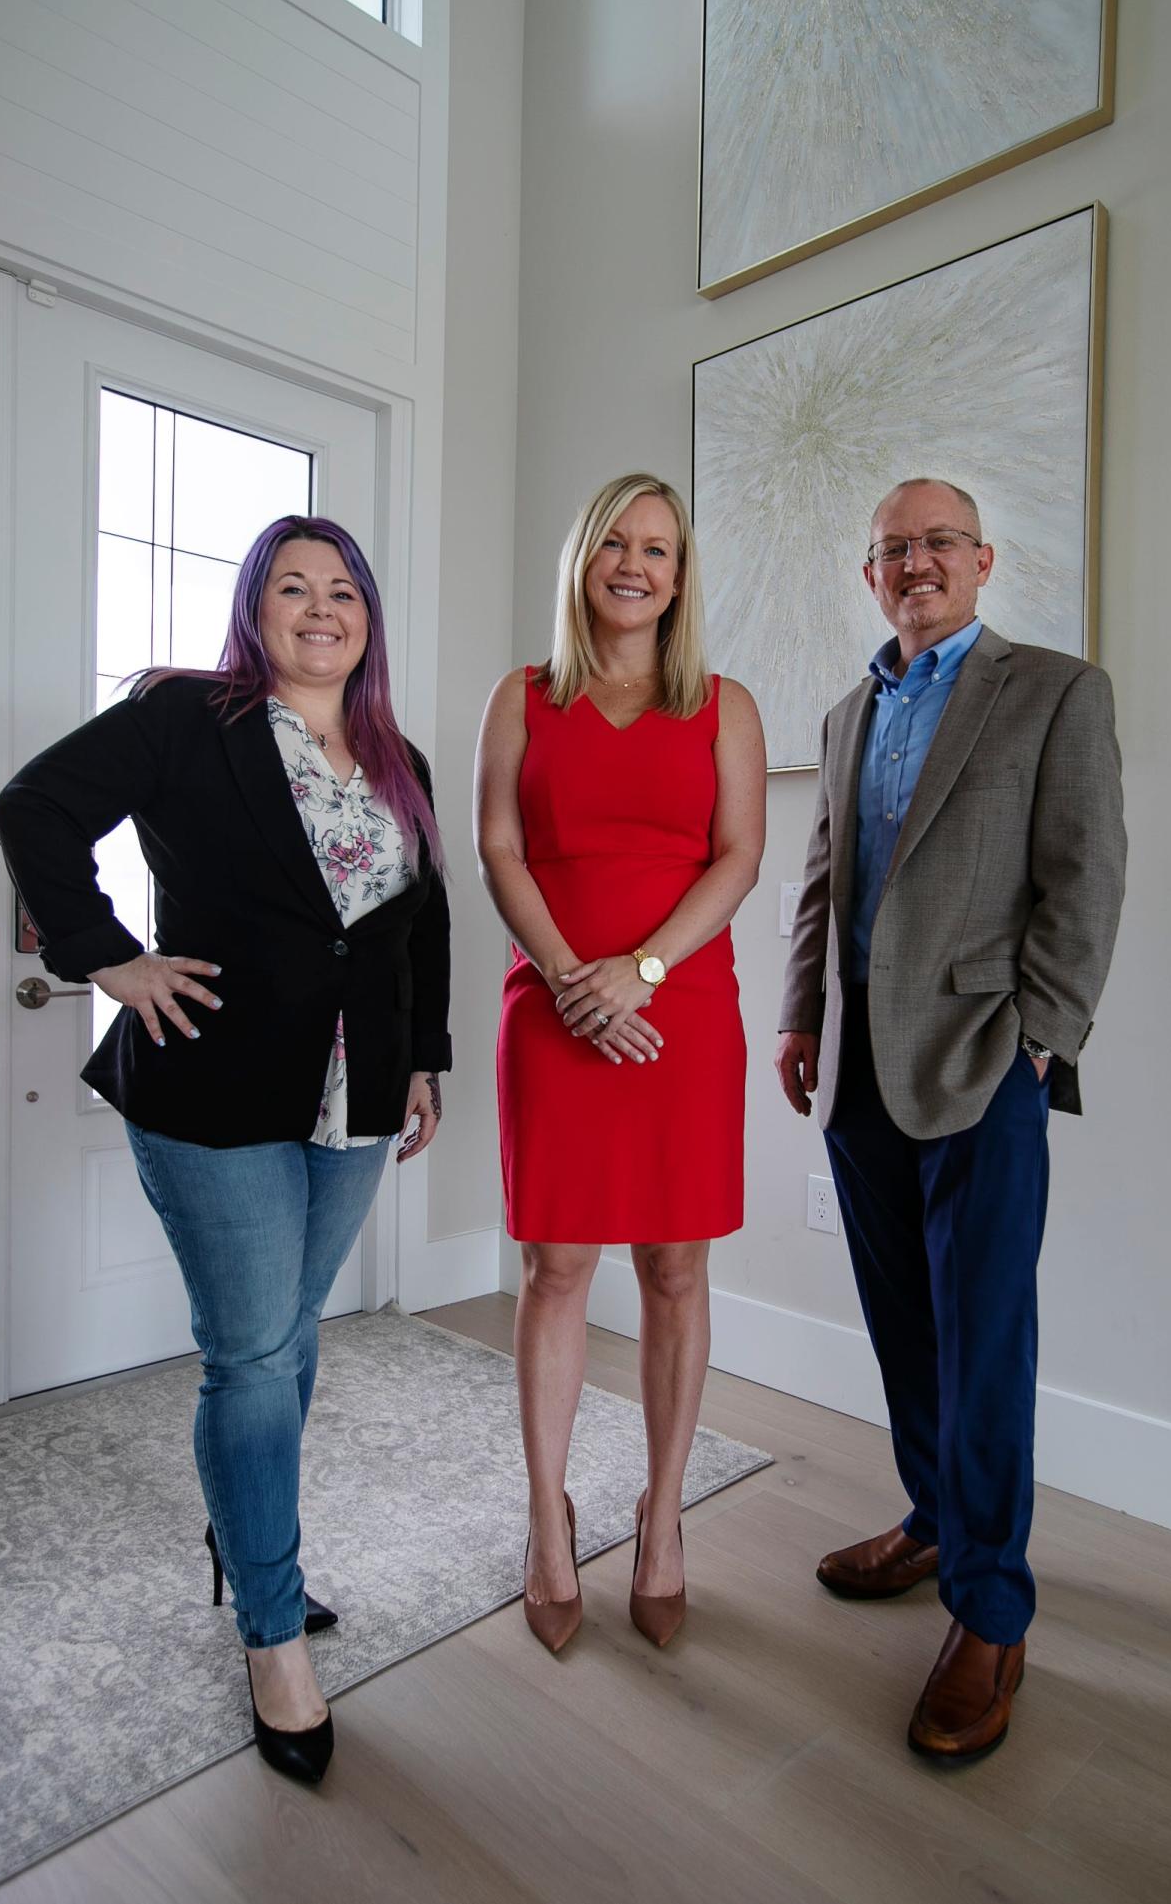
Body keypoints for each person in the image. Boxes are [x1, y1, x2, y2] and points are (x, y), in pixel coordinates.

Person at [0, 516, 451, 1784]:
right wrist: (107, 958)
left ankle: (242, 1541)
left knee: (290, 1341)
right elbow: (31, 807)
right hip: (212, 1088)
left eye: (344, 590)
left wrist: (425, 1055)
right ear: (254, 610)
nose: (322, 609)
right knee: (252, 1355)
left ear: (368, 617)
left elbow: (422, 921)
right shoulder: (186, 721)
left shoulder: (395, 755)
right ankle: (269, 1627)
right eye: (292, 588)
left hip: (354, 1095)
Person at [775, 478, 1126, 1762]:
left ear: (983, 560)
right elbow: (826, 882)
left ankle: (991, 1612)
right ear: (871, 576)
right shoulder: (850, 708)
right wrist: (800, 1017)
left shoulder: (1055, 692)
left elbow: (1086, 877)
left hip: (987, 1063)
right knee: (903, 1325)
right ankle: (935, 1522)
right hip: (859, 1065)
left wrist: (1046, 1037)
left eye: (936, 544)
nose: (914, 564)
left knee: (982, 1342)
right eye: (891, 550)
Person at [475, 473, 765, 1653]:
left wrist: (638, 974)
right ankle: (549, 1520)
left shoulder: (727, 705)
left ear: (681, 575)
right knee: (554, 1270)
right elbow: (500, 844)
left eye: (658, 547)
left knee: (676, 1272)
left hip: (680, 1007)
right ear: (584, 560)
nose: (635, 563)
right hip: (552, 1006)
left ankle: (662, 1518)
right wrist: (568, 980)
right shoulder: (523, 696)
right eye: (615, 542)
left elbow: (740, 856)